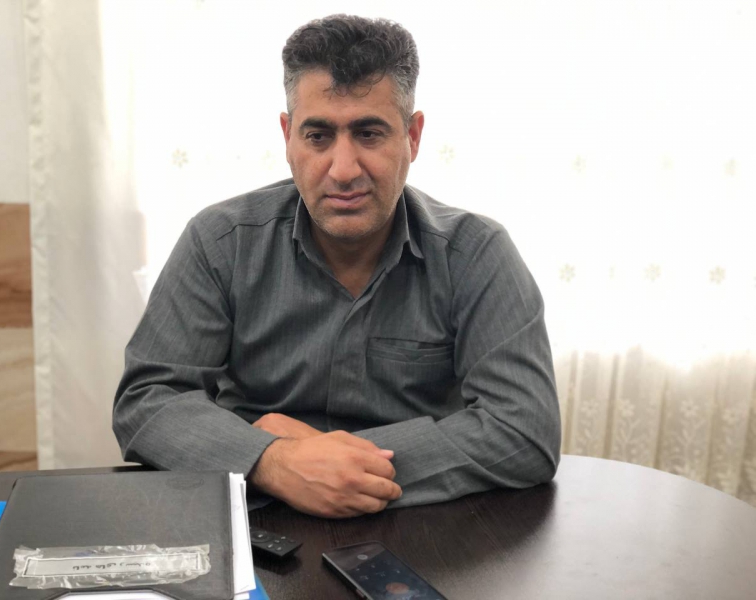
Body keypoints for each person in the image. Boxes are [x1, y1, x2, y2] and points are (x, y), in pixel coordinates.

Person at [113, 14, 561, 519]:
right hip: (258, 523)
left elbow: (525, 430)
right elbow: (147, 402)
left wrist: (321, 463)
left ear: (412, 137)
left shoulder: (476, 254)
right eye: (318, 136)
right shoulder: (220, 242)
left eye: (369, 134)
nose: (343, 170)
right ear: (288, 137)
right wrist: (273, 463)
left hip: (423, 527)